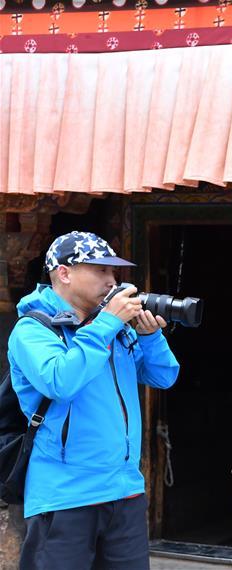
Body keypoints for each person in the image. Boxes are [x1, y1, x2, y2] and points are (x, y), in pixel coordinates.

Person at [7, 231, 180, 570]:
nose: (112, 281)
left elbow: (164, 376)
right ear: (64, 273)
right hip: (64, 496)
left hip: (124, 491)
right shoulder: (33, 330)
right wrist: (107, 323)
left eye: (114, 273)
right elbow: (61, 381)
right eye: (100, 270)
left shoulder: (113, 328)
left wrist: (150, 335)